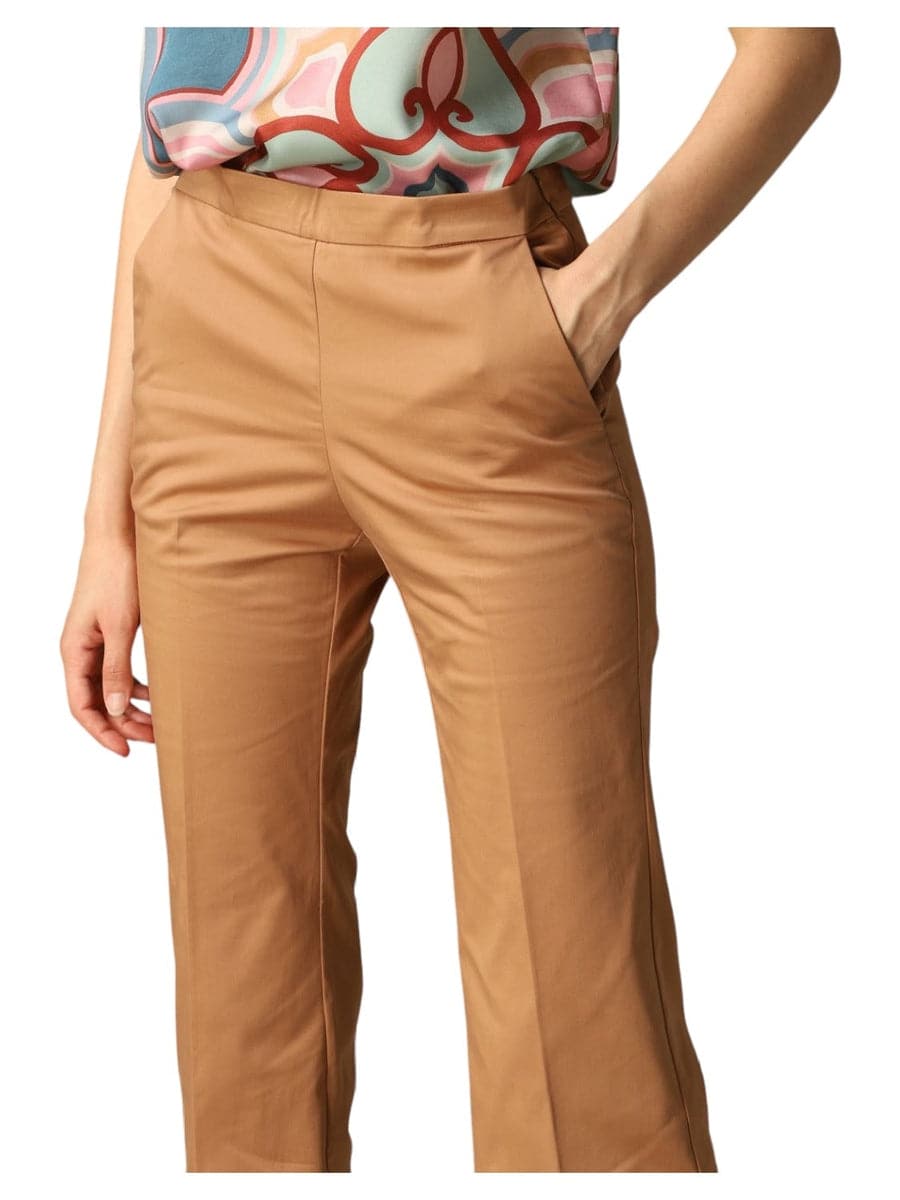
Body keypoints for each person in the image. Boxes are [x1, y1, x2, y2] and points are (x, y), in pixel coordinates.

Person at [59, 26, 841, 1173]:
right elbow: (174, 130)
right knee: (242, 997)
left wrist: (597, 302)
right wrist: (106, 520)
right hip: (209, 334)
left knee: (574, 983)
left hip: (482, 328)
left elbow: (794, 46)